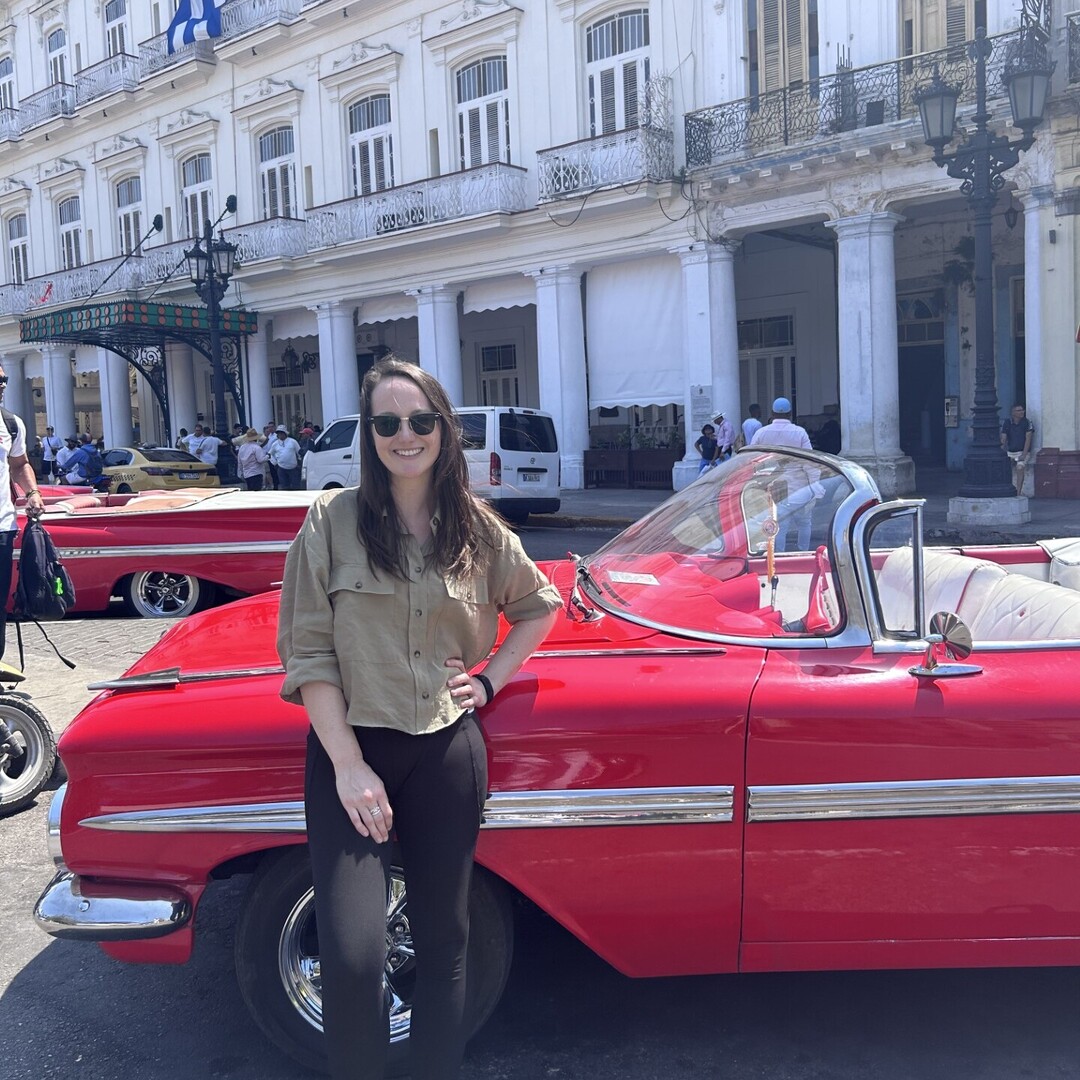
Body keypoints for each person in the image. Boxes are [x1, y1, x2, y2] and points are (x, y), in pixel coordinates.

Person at [277, 357, 561, 1080]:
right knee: (352, 954)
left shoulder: (479, 530)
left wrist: (492, 681)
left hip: (445, 751)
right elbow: (308, 652)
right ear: (369, 434)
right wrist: (347, 766)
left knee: (446, 942)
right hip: (352, 754)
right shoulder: (330, 521)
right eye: (388, 423)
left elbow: (538, 606)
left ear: (443, 429)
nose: (406, 435)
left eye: (421, 420)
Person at [0, 363, 46, 670]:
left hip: (2, 528)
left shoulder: (10, 423)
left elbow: (19, 464)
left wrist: (32, 492)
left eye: (3, 379)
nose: (2, 384)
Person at [752, 397, 815, 552]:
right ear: (790, 414)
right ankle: (803, 553)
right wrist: (815, 486)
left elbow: (753, 460)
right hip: (799, 486)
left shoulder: (762, 433)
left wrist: (758, 481)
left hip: (773, 486)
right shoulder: (799, 433)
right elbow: (810, 462)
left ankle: (778, 555)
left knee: (778, 523)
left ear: (772, 413)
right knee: (805, 523)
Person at [1001, 403, 1034, 497]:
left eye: (1022, 410)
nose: (1022, 412)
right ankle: (1006, 489)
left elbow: (1028, 439)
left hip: (1022, 451)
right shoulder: (1007, 422)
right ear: (1013, 413)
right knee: (1003, 467)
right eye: (1018, 410)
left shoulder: (1027, 422)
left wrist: (1024, 454)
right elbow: (1003, 438)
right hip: (1010, 451)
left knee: (1020, 468)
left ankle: (1018, 492)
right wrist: (1001, 450)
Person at [269, 425, 303, 490]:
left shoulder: (293, 441)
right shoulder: (275, 444)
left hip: (293, 468)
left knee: (296, 487)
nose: (280, 434)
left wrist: (299, 463)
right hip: (281, 469)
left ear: (285, 433)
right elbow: (270, 455)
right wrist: (275, 463)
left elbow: (299, 453)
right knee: (284, 487)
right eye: (278, 433)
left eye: (281, 433)